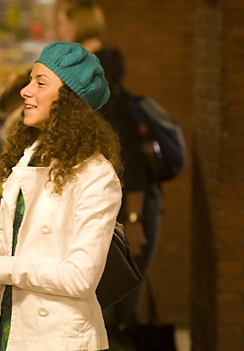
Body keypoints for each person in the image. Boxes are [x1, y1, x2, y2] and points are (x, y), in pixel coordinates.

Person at [0, 41, 123, 350]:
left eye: (40, 82)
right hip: (7, 326)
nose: (25, 91)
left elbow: (80, 277)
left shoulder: (96, 175)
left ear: (69, 101)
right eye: (29, 80)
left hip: (59, 337)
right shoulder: (29, 157)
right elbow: (9, 239)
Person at [95, 47, 165, 347]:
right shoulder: (116, 106)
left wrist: (134, 222)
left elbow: (133, 172)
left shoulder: (113, 110)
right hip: (131, 212)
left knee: (119, 304)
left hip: (131, 214)